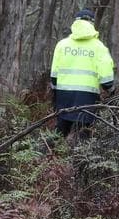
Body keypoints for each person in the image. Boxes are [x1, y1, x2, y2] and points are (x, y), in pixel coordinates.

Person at [49, 8, 115, 138]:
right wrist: (112, 90)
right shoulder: (99, 47)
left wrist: (55, 96)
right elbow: (107, 80)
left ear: (75, 23)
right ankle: (79, 157)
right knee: (83, 133)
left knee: (60, 131)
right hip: (87, 97)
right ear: (92, 24)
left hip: (64, 95)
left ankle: (50, 156)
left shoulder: (62, 45)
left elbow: (54, 77)